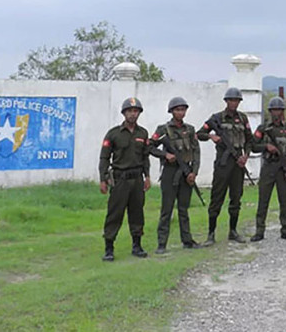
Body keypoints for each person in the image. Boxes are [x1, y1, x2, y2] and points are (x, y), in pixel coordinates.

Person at [196, 87, 255, 245]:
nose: (234, 103)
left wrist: (246, 156)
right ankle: (211, 233)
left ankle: (233, 231)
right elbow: (199, 133)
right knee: (217, 197)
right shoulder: (217, 118)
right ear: (226, 101)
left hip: (238, 163)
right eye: (231, 100)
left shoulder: (243, 119)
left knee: (236, 198)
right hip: (223, 163)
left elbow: (250, 140)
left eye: (236, 100)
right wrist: (211, 136)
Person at [98, 97, 151, 261]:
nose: (133, 114)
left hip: (137, 179)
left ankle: (137, 245)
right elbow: (104, 158)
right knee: (115, 213)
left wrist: (147, 176)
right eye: (129, 111)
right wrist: (102, 179)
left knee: (137, 213)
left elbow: (145, 157)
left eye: (136, 111)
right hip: (120, 180)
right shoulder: (113, 134)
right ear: (124, 113)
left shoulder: (143, 133)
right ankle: (109, 248)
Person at [149, 96, 202, 254]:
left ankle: (187, 240)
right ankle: (161, 243)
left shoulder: (190, 129)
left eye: (183, 109)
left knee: (184, 209)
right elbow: (150, 146)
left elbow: (196, 151)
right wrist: (165, 155)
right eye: (177, 109)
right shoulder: (163, 129)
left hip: (186, 172)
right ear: (171, 111)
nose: (181, 112)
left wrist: (194, 172)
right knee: (167, 209)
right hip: (170, 172)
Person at [250, 97, 286, 241]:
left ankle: (285, 229)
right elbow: (253, 146)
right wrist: (266, 147)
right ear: (270, 112)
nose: (276, 113)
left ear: (282, 111)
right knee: (263, 200)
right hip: (268, 167)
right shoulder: (263, 128)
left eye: (279, 110)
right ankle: (259, 230)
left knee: (284, 200)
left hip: (283, 168)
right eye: (274, 110)